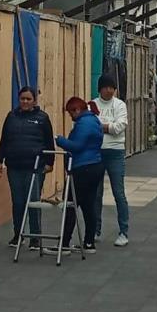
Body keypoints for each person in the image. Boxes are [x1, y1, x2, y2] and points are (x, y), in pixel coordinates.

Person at [0, 87, 55, 249]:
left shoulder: (42, 118)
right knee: (18, 202)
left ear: (34, 101)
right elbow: (4, 140)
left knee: (33, 202)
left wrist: (50, 163)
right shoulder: (11, 117)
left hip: (35, 167)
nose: (25, 102)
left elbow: (49, 142)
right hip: (14, 167)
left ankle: (35, 237)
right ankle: (18, 235)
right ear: (18, 99)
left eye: (28, 99)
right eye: (22, 99)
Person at [54, 97, 105, 253]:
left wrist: (60, 140)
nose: (70, 116)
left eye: (71, 113)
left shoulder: (84, 124)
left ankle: (64, 243)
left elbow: (77, 146)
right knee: (89, 205)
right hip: (95, 166)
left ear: (77, 110)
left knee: (70, 205)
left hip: (83, 168)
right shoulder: (94, 121)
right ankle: (89, 242)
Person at [92, 75, 130, 247]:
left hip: (115, 151)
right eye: (106, 87)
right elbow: (89, 128)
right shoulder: (92, 105)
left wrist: (101, 126)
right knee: (95, 194)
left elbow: (119, 127)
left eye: (112, 87)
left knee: (118, 193)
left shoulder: (120, 105)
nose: (109, 90)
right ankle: (95, 229)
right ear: (100, 88)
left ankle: (123, 231)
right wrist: (108, 127)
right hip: (96, 152)